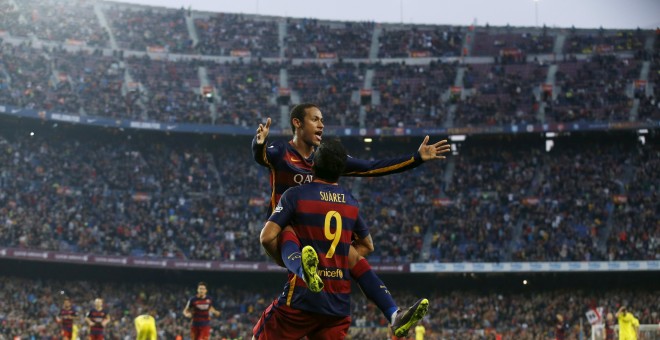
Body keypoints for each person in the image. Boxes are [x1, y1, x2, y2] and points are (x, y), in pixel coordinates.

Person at [252, 103, 448, 330]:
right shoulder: (281, 152)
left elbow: (372, 167)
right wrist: (258, 144)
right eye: (315, 119)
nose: (321, 125)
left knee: (349, 253)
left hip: (316, 235)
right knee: (335, 248)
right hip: (286, 230)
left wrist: (416, 158)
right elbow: (262, 156)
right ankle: (308, 271)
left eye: (322, 120)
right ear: (297, 122)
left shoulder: (324, 159)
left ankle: (394, 315)